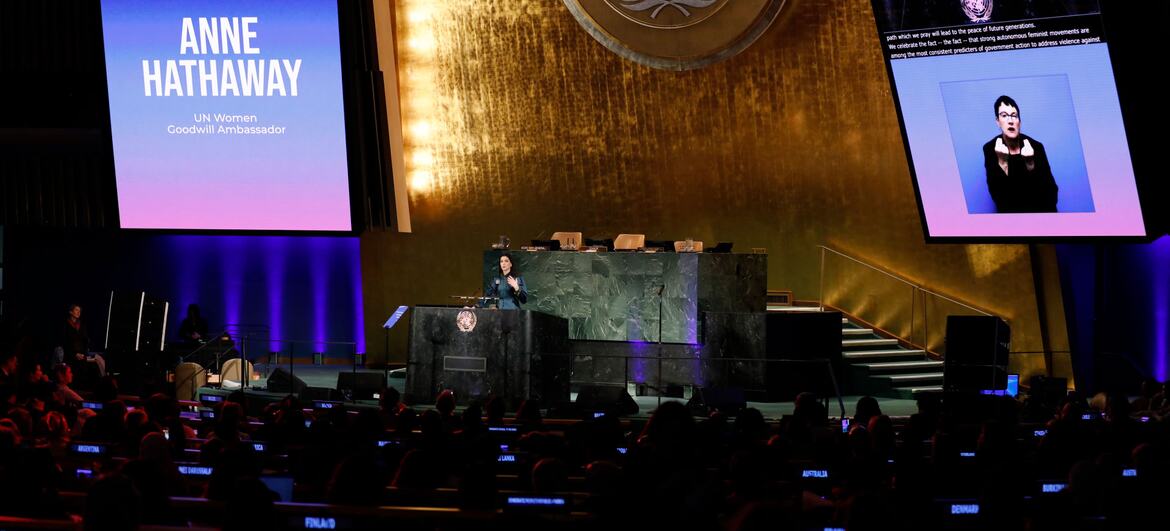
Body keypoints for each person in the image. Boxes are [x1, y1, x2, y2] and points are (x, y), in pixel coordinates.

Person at [982, 95, 1059, 213]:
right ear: (998, 121)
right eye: (1004, 115)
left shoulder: (1036, 147)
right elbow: (1000, 200)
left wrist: (1030, 164)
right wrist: (1002, 162)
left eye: (1014, 116)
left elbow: (1051, 196)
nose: (1010, 121)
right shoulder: (990, 149)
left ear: (1019, 122)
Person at [60, 304, 107, 379]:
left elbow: (85, 340)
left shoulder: (81, 324)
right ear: (71, 312)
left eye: (80, 311)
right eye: (76, 310)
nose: (79, 312)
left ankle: (106, 379)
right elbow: (65, 343)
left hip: (83, 353)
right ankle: (106, 379)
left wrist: (84, 352)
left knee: (100, 356)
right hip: (71, 354)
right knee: (96, 360)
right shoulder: (65, 325)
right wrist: (75, 354)